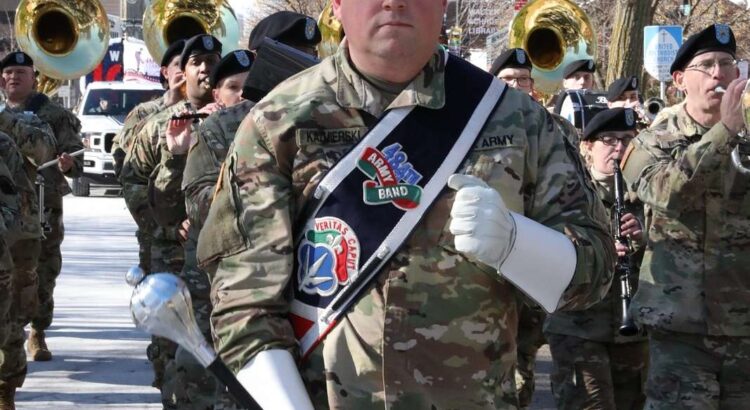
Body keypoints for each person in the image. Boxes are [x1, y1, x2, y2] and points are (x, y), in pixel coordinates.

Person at [197, 0, 615, 408]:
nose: (394, 3)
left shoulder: (515, 118)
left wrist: (517, 244)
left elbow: (593, 274)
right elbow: (243, 305)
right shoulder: (279, 122)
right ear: (338, 5)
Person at [621, 23, 750, 409]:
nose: (718, 74)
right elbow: (667, 192)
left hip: (743, 324)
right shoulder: (652, 141)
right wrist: (724, 131)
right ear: (679, 81)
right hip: (680, 328)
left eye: (727, 64)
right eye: (706, 65)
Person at [125, 34, 223, 409]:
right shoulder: (159, 126)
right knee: (169, 348)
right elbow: (132, 182)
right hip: (168, 255)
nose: (204, 69)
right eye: (196, 61)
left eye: (212, 62)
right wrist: (166, 228)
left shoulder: (234, 120)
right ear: (183, 72)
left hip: (215, 257)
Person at [545, 108, 648, 410]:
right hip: (578, 323)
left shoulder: (644, 191)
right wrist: (596, 249)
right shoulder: (566, 191)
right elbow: (547, 245)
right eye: (610, 140)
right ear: (587, 145)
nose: (620, 148)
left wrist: (643, 238)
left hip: (633, 327)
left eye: (628, 139)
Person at [0, 51, 82, 363]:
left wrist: (68, 163)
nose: (12, 77)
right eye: (7, 73)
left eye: (20, 72)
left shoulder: (53, 114)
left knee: (43, 268)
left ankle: (38, 330)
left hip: (42, 203)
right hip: (5, 206)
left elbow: (74, 156)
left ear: (35, 77)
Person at [113, 39, 186, 393]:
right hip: (158, 233)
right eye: (179, 66)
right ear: (167, 72)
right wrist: (156, 222)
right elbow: (127, 169)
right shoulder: (147, 116)